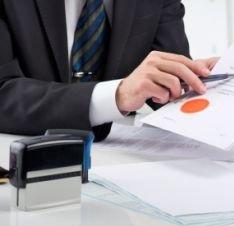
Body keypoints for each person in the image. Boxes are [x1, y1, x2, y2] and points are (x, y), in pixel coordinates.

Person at [0, 0, 218, 141]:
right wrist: (117, 96)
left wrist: (206, 84)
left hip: (122, 166)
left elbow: (165, 84)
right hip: (22, 163)